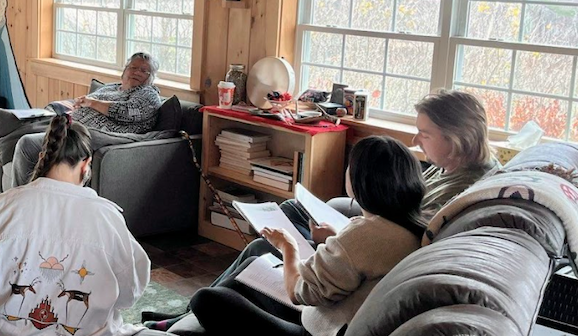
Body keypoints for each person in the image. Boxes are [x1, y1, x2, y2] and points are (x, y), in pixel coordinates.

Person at [189, 136, 426, 336]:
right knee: (250, 271)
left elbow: (300, 292)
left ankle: (188, 328)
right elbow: (361, 258)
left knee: (208, 300)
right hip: (329, 325)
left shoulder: (366, 232)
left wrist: (288, 247)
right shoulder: (411, 228)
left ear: (359, 180)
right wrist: (336, 239)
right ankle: (180, 325)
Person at [208, 88, 500, 287]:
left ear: (457, 137)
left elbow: (399, 243)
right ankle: (198, 309)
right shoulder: (452, 162)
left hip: (367, 248)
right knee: (291, 209)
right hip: (364, 233)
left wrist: (336, 238)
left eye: (424, 134)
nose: (415, 142)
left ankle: (202, 307)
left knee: (263, 245)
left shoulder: (461, 190)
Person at [0, 114, 150, 336]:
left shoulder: (4, 206)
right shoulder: (107, 216)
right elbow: (131, 291)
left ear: (42, 157)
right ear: (86, 164)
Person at [11, 52, 163, 186]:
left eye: (144, 71)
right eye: (133, 67)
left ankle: (21, 199)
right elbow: (82, 102)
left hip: (92, 135)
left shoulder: (148, 93)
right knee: (20, 128)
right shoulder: (110, 88)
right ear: (124, 70)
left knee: (27, 144)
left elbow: (129, 112)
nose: (137, 72)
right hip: (70, 125)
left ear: (151, 78)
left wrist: (91, 103)